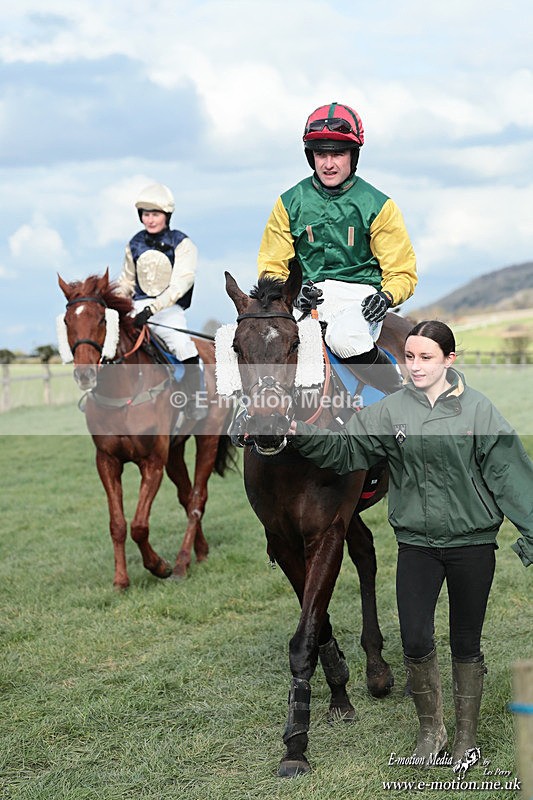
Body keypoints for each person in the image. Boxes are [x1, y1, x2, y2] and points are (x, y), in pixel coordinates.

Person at [288, 320, 533, 768]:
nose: (415, 366)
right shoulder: (390, 410)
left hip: (471, 544)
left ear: (449, 360)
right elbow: (346, 451)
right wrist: (301, 434)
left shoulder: (478, 411)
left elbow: (510, 476)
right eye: (410, 357)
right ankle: (430, 731)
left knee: (466, 641)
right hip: (416, 544)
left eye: (426, 357)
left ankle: (465, 738)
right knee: (415, 639)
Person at [257, 101, 418, 396]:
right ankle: (248, 420)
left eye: (338, 154)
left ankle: (398, 398)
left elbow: (402, 272)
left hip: (358, 298)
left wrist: (386, 296)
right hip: (304, 299)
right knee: (253, 338)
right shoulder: (288, 202)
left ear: (353, 156)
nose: (328, 164)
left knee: (345, 338)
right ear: (311, 157)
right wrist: (286, 293)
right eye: (321, 154)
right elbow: (272, 267)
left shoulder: (379, 205)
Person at [117, 182, 206, 420]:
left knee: (182, 345)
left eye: (155, 214)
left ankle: (196, 400)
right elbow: (127, 281)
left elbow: (181, 284)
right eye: (146, 214)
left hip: (168, 310)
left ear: (166, 215)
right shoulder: (134, 243)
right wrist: (116, 299)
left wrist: (153, 307)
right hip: (137, 308)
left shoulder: (182, 243)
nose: (150, 219)